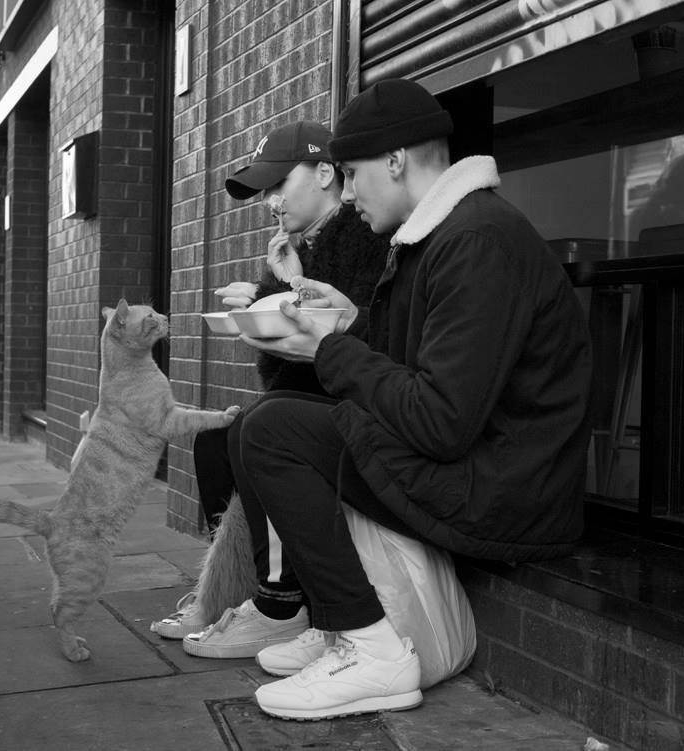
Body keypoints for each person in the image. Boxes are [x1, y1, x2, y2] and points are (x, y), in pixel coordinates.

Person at [227, 78, 593, 721]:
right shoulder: (441, 235)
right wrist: (344, 326)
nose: (348, 189)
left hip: (506, 490)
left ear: (395, 160)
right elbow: (415, 371)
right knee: (265, 423)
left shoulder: (476, 241)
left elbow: (441, 421)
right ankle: (345, 625)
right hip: (483, 465)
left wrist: (332, 352)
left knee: (274, 429)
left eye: (351, 171)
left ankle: (374, 651)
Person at [150, 121, 389, 651]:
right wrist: (276, 291)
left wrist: (278, 297)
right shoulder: (312, 244)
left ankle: (281, 603)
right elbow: (292, 371)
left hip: (373, 414)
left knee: (258, 428)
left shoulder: (365, 237)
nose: (271, 203)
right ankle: (243, 592)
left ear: (326, 173)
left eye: (279, 186)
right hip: (329, 401)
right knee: (218, 440)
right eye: (265, 192)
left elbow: (343, 355)